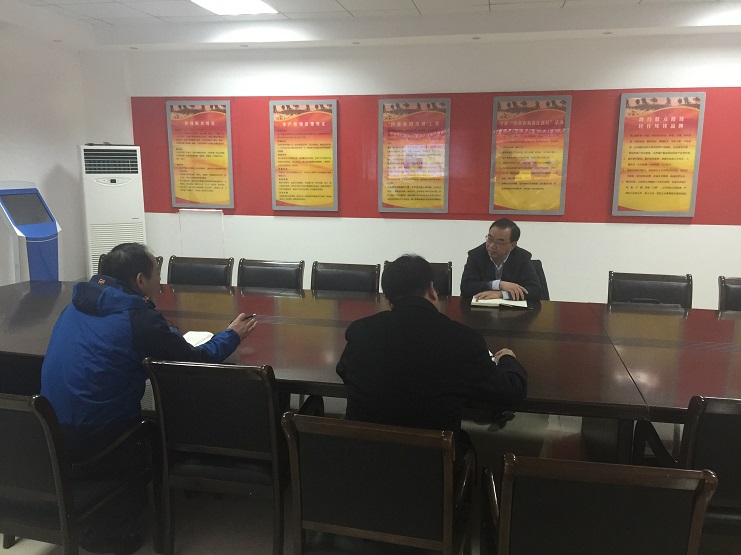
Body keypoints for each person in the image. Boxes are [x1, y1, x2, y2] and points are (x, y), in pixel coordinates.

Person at [40, 242, 256, 554]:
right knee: (157, 427)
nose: (161, 281)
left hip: (48, 431)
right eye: (157, 272)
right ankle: (121, 524)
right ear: (140, 280)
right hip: (96, 437)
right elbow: (194, 359)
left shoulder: (75, 303)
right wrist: (232, 334)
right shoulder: (137, 317)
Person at [336, 254, 527, 441]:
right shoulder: (463, 339)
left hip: (361, 455)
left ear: (388, 298)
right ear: (431, 289)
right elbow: (510, 394)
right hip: (432, 460)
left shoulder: (360, 331)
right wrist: (507, 359)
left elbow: (343, 371)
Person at [460, 218, 542, 300]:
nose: (492, 245)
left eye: (499, 242)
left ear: (512, 245)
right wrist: (499, 284)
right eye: (490, 239)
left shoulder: (522, 257)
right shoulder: (476, 255)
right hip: (481, 307)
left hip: (512, 308)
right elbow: (466, 288)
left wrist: (501, 294)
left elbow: (535, 290)